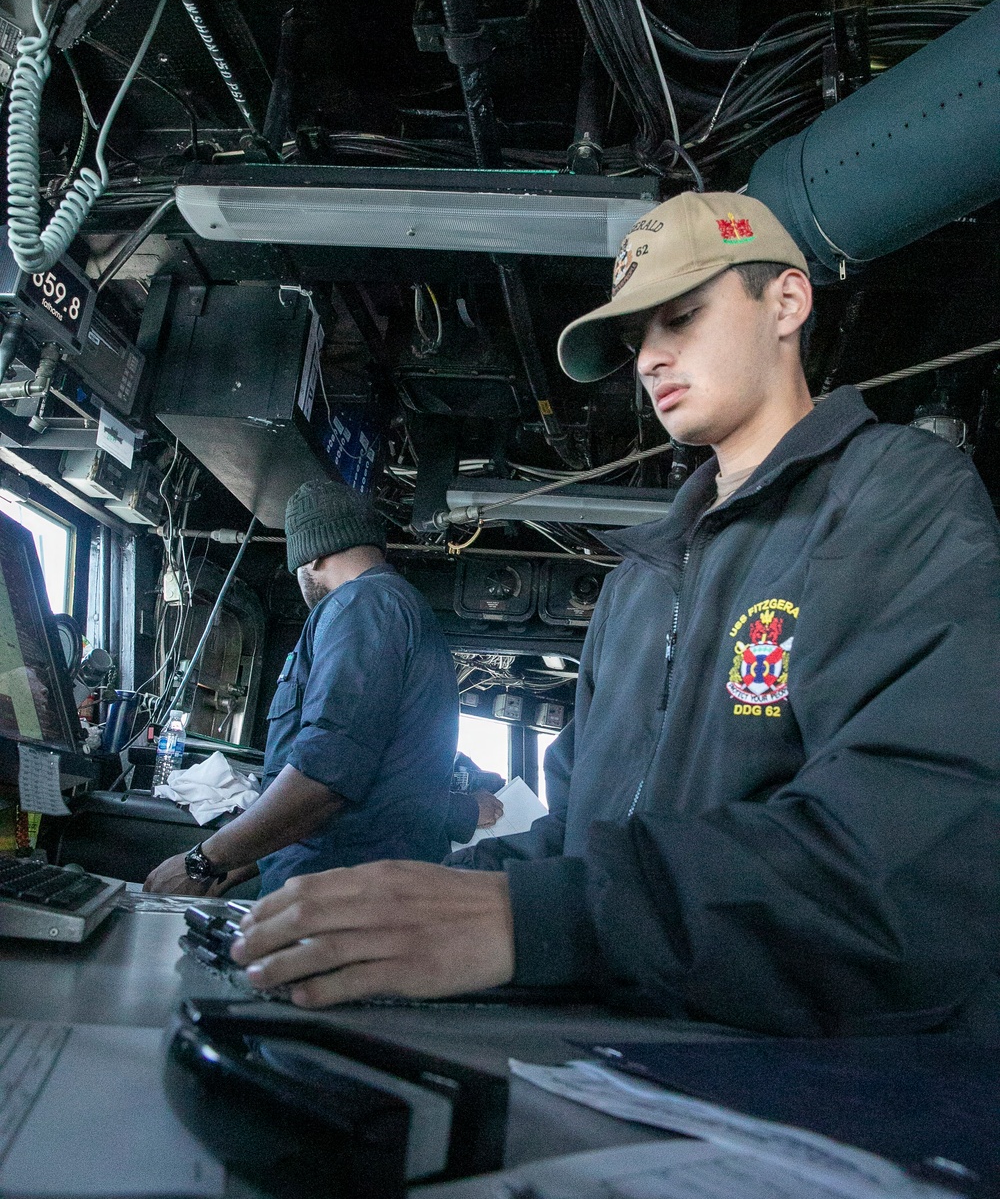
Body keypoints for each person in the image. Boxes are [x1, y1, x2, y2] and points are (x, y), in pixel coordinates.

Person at [229, 192, 1000, 1038]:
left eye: (682, 317)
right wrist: (407, 899)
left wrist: (537, 917)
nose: (650, 359)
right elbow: (575, 839)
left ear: (787, 302)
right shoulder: (640, 581)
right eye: (638, 338)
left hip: (811, 1068)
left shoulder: (894, 497)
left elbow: (909, 865)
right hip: (627, 1042)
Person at [144, 480, 459, 897]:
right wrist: (233, 868)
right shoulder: (394, 605)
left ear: (313, 555)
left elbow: (323, 780)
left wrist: (202, 863)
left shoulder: (362, 606)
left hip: (338, 897)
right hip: (350, 889)